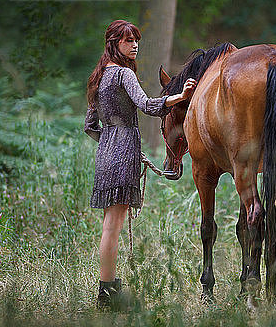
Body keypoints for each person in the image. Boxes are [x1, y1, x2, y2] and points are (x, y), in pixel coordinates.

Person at [84, 20, 196, 310]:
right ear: (114, 44)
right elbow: (147, 106)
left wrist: (111, 144)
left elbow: (90, 126)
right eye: (127, 41)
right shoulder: (122, 74)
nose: (134, 45)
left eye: (136, 40)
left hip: (106, 155)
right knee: (113, 227)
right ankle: (108, 295)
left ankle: (107, 291)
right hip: (122, 154)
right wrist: (181, 97)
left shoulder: (98, 76)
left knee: (110, 226)